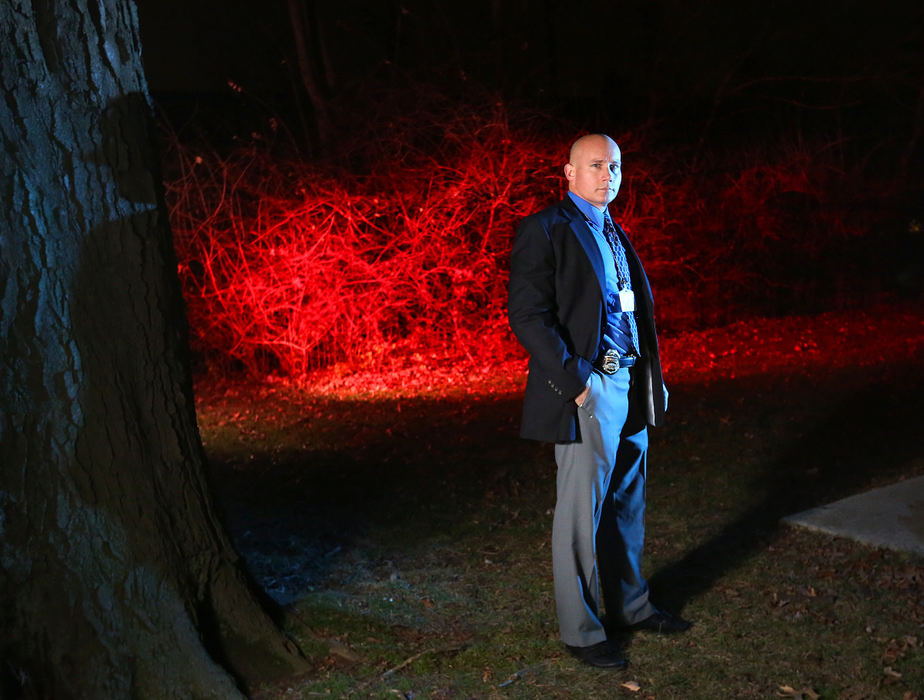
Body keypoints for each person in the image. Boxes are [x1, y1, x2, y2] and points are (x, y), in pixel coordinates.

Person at [507, 133, 689, 669]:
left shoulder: (614, 231)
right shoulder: (545, 229)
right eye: (594, 165)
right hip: (591, 388)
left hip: (630, 384)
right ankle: (582, 631)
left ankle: (632, 606)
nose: (606, 175)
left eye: (614, 166)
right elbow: (528, 317)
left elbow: (630, 314)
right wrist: (577, 381)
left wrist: (650, 377)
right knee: (579, 513)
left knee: (627, 504)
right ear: (567, 172)